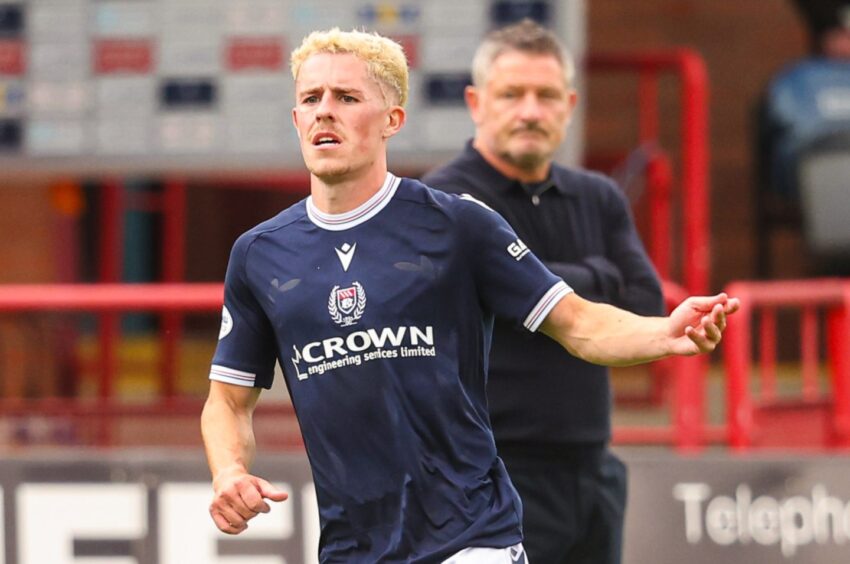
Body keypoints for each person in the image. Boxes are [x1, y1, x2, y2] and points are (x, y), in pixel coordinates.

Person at [200, 27, 738, 564]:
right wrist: (229, 472)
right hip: (352, 548)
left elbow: (579, 324)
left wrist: (665, 331)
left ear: (392, 120)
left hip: (471, 538)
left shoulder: (457, 224)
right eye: (311, 99)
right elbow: (227, 401)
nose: (324, 112)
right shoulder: (259, 255)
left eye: (346, 97)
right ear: (295, 119)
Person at [422, 19, 664, 564]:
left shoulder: (598, 196)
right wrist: (600, 277)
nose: (530, 110)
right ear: (476, 102)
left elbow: (647, 305)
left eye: (546, 95)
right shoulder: (443, 200)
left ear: (570, 103)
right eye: (511, 94)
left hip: (594, 468)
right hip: (491, 476)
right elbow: (486, 297)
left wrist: (524, 285)